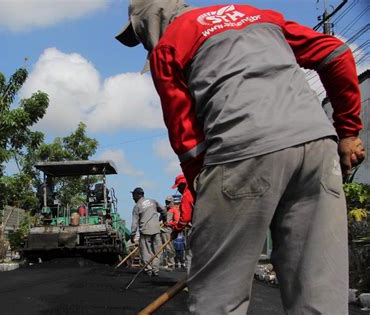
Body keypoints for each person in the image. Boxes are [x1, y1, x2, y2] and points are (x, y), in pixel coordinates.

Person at [116, 1, 365, 314]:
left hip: (241, 151)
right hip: (317, 147)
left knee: (219, 299)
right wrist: (348, 132)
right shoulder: (258, 15)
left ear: (150, 22)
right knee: (320, 295)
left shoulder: (168, 47)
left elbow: (187, 139)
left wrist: (203, 187)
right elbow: (335, 54)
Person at [130, 187, 167, 276]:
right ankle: (155, 269)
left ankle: (149, 270)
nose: (133, 198)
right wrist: (164, 219)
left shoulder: (137, 206)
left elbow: (134, 223)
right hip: (156, 229)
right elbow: (164, 210)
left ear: (138, 195)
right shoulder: (152, 201)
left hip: (145, 231)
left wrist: (132, 236)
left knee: (146, 251)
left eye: (133, 196)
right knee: (157, 251)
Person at [160, 195, 178, 270]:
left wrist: (168, 224)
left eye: (168, 202)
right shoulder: (164, 209)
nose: (167, 203)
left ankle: (171, 264)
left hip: (168, 231)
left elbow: (176, 221)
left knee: (169, 248)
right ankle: (162, 263)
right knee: (159, 247)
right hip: (161, 230)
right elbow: (160, 219)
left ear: (172, 202)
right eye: (166, 201)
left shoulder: (174, 210)